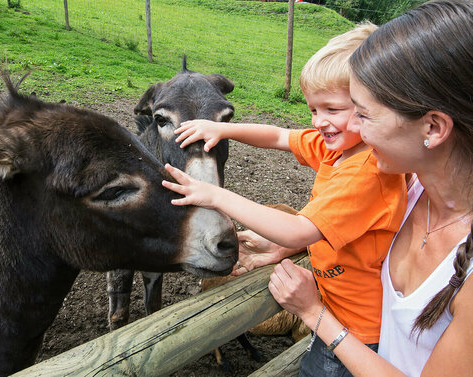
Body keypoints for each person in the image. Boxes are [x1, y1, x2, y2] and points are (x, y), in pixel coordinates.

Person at [266, 1, 473, 376]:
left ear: (433, 128)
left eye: (363, 114)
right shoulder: (411, 184)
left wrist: (314, 313)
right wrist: (290, 243)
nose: (356, 133)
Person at [162, 22, 408, 377]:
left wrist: (215, 195)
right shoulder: (336, 148)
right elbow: (279, 135)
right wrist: (222, 128)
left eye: (332, 109)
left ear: (372, 103)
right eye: (313, 109)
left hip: (356, 333)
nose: (319, 122)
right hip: (338, 309)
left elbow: (295, 231)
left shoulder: (366, 172)